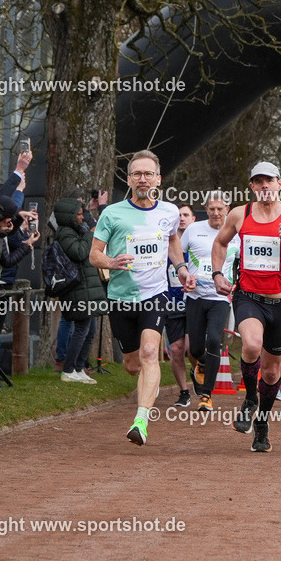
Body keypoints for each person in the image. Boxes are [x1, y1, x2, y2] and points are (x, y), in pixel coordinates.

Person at [212, 161, 281, 453]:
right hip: (248, 296)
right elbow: (220, 243)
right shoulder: (239, 214)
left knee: (272, 373)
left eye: (269, 181)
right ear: (251, 187)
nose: (264, 187)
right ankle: (249, 398)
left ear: (279, 184)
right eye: (258, 181)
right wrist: (217, 274)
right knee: (251, 344)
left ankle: (261, 422)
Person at [90, 150, 191, 446]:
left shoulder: (169, 212)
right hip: (121, 297)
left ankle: (141, 419)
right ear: (129, 179)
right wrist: (111, 262)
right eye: (137, 174)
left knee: (150, 353)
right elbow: (94, 255)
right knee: (133, 364)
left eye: (148, 174)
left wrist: (181, 267)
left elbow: (172, 239)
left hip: (154, 294)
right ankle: (150, 382)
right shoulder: (112, 214)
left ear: (158, 179)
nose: (142, 179)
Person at [183, 195, 235, 412]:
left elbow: (244, 263)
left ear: (227, 209)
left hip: (219, 298)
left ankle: (206, 394)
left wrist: (237, 284)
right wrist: (184, 273)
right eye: (211, 209)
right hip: (196, 296)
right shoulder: (193, 229)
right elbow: (177, 253)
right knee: (194, 349)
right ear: (206, 209)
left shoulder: (236, 233)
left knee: (214, 340)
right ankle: (203, 363)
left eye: (220, 209)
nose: (215, 213)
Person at [53, 197, 108, 384]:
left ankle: (78, 367)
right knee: (82, 328)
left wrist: (90, 222)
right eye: (77, 214)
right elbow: (79, 252)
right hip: (78, 288)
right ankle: (68, 369)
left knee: (90, 329)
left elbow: (89, 234)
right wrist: (90, 235)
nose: (81, 217)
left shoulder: (78, 229)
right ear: (68, 215)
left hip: (87, 286)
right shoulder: (65, 233)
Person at [168, 204, 195, 407]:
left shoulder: (198, 244)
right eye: (179, 215)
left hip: (195, 301)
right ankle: (184, 391)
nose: (182, 218)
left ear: (193, 219)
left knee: (192, 348)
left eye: (186, 215)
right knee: (176, 349)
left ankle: (196, 371)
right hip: (172, 303)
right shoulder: (167, 243)